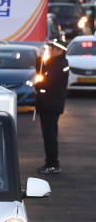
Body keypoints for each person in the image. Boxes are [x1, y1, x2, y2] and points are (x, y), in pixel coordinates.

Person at [34, 38, 69, 174]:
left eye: (54, 48)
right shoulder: (54, 62)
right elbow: (41, 72)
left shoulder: (59, 64)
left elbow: (48, 82)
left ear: (61, 51)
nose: (51, 50)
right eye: (50, 48)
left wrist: (38, 86)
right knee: (48, 135)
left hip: (51, 105)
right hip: (48, 104)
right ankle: (50, 162)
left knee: (50, 136)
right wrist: (40, 60)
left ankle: (52, 164)